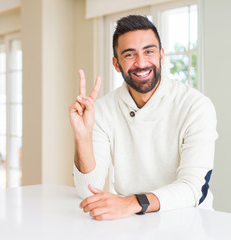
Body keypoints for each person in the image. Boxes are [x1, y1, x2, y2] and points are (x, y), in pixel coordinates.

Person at [69, 15, 218, 221]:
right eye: (130, 54)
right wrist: (83, 137)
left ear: (161, 55)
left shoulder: (196, 106)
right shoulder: (102, 109)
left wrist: (131, 203)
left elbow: (193, 188)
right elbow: (88, 190)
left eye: (149, 51)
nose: (141, 62)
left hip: (190, 222)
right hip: (131, 222)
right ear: (116, 63)